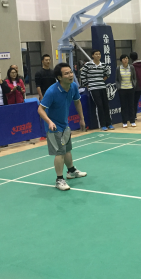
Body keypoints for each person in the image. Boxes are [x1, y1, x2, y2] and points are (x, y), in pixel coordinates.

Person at [38, 63, 87, 191]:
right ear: (59, 77)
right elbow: (40, 109)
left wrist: (82, 118)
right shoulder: (52, 91)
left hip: (64, 123)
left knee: (67, 149)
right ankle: (59, 180)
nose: (70, 75)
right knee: (60, 152)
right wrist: (49, 122)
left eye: (71, 72)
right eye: (66, 73)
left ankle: (71, 171)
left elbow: (77, 102)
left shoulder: (73, 86)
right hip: (53, 125)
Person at [80, 50, 113, 131]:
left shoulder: (103, 65)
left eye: (99, 54)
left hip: (102, 87)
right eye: (96, 54)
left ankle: (109, 123)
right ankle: (102, 125)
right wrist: (87, 84)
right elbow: (82, 75)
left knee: (106, 105)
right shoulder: (88, 65)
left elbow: (108, 73)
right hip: (93, 88)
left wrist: (102, 80)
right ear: (92, 56)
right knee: (99, 106)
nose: (98, 55)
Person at [116, 54, 137, 128]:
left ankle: (132, 121)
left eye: (127, 58)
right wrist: (118, 87)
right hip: (122, 89)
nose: (125, 60)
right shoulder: (118, 68)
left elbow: (134, 77)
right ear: (121, 60)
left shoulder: (131, 67)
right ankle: (124, 122)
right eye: (124, 59)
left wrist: (134, 85)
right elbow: (117, 79)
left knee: (131, 105)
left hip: (130, 88)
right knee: (124, 106)